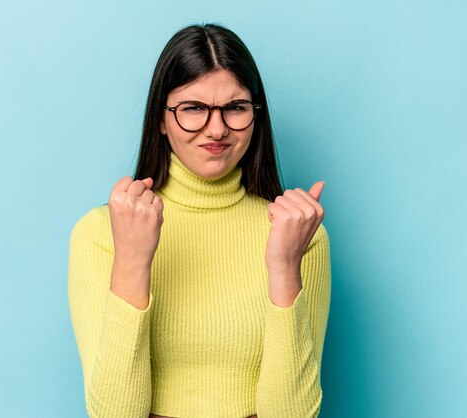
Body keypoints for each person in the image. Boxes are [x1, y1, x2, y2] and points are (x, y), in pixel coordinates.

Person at [68, 22, 331, 418]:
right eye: (193, 108)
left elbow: (292, 414)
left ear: (256, 115)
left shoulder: (299, 234)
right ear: (161, 118)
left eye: (235, 107)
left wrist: (284, 266)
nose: (217, 128)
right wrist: (133, 261)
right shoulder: (101, 233)